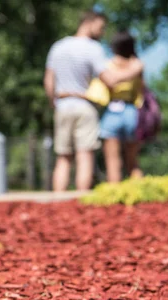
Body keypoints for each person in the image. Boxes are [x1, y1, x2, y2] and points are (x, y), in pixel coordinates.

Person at [44, 10, 143, 191]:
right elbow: (110, 80)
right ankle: (81, 201)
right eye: (101, 27)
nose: (102, 32)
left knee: (63, 157)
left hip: (62, 105)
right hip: (84, 106)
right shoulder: (93, 48)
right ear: (90, 22)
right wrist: (135, 70)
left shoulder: (58, 46)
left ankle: (57, 202)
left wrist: (54, 103)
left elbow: (49, 81)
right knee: (84, 155)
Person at [99, 31, 144, 182]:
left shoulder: (108, 64)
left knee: (112, 160)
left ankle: (114, 198)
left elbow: (109, 82)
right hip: (132, 110)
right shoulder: (137, 64)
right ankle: (140, 195)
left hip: (112, 110)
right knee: (132, 160)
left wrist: (114, 77)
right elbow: (142, 87)